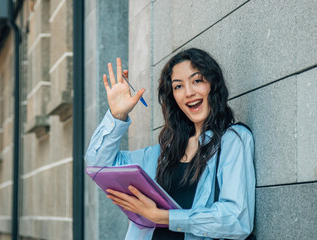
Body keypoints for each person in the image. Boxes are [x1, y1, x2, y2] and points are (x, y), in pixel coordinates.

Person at [85, 48, 255, 240]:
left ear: (213, 84)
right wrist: (117, 115)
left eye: (197, 80)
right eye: (178, 86)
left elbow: (237, 219)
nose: (189, 92)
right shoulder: (163, 152)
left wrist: (164, 217)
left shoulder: (232, 140)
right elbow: (99, 166)